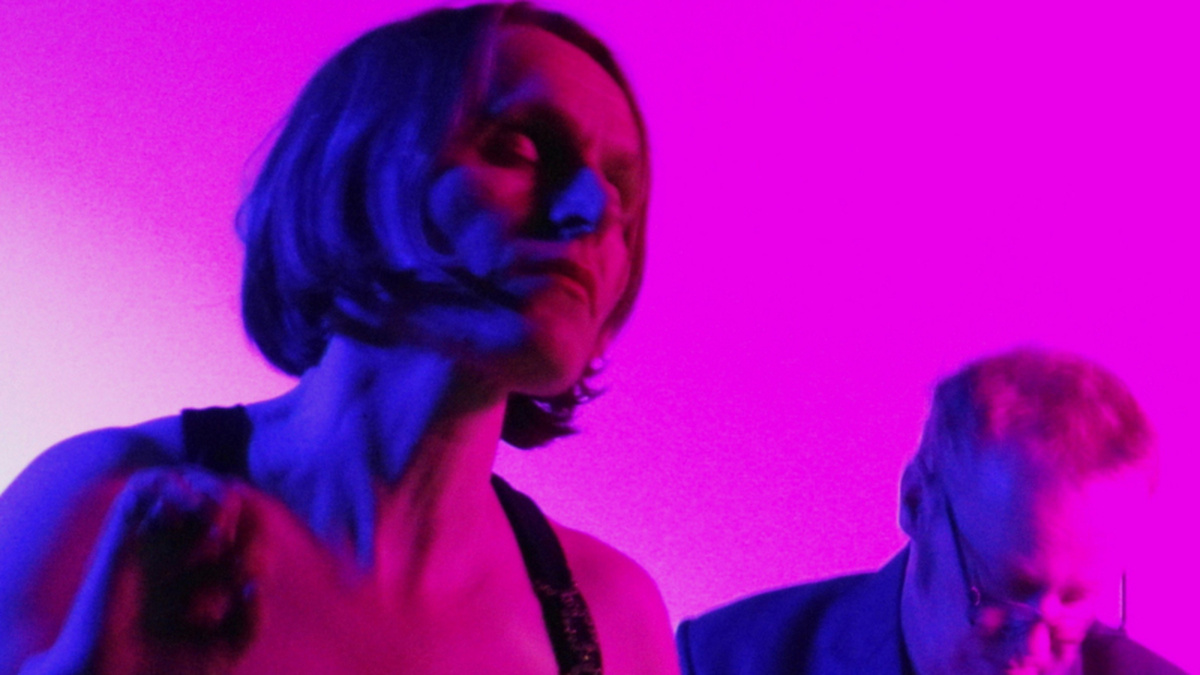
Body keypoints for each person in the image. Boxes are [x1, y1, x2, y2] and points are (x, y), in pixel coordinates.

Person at [0, 4, 679, 673]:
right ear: (353, 170)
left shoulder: (615, 619)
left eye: (622, 193)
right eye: (517, 149)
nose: (593, 211)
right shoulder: (95, 502)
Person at [676, 349, 1186, 675]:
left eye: (1076, 600)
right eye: (1005, 590)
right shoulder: (725, 661)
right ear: (917, 501)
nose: (1034, 648)